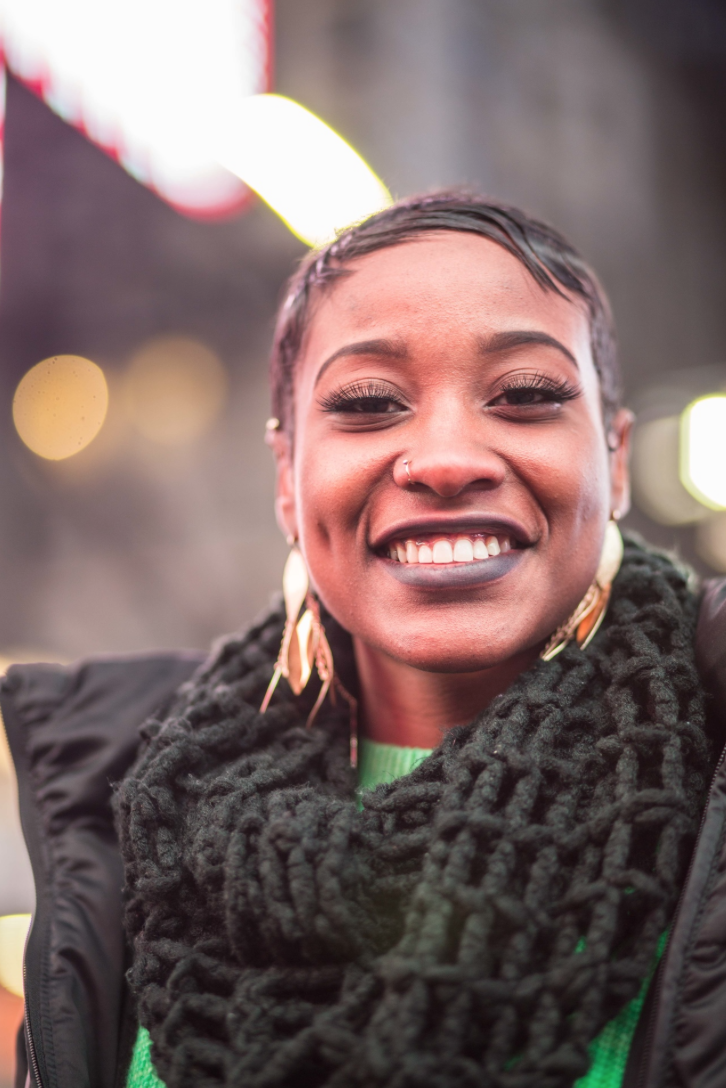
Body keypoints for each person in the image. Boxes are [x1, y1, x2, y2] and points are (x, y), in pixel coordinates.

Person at [3, 192, 726, 1088]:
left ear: (614, 462)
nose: (449, 457)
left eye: (528, 394)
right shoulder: (129, 807)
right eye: (371, 402)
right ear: (285, 474)